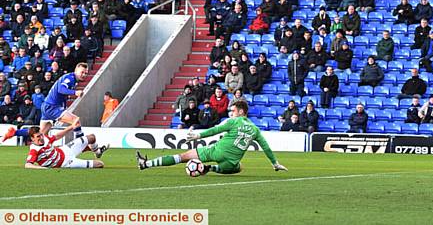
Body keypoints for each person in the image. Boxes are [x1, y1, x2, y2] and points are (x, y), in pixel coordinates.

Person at [138, 101, 287, 174]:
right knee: (240, 168)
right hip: (231, 163)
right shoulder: (255, 129)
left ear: (241, 112)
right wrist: (275, 163)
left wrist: (198, 135)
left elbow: (215, 130)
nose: (231, 112)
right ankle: (210, 168)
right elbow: (266, 147)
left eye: (233, 110)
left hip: (216, 151)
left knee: (182, 156)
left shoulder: (234, 121)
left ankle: (146, 164)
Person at [24, 118, 107, 169]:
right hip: (66, 163)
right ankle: (87, 149)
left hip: (65, 150)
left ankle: (97, 152)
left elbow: (57, 136)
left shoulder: (45, 138)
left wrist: (71, 126)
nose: (41, 138)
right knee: (100, 164)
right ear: (32, 138)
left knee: (92, 137)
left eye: (41, 135)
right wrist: (41, 168)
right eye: (38, 137)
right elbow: (28, 165)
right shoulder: (34, 150)